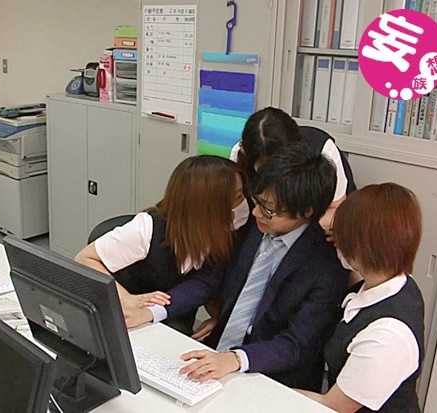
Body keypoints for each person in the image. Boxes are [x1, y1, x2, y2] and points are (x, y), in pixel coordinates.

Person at [125, 142, 348, 391]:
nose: (256, 213)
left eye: (269, 210)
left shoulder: (326, 265)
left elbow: (297, 344)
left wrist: (236, 359)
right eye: (257, 201)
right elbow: (209, 279)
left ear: (306, 211)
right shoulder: (252, 227)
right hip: (217, 353)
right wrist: (154, 311)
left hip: (273, 376)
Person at [75, 155, 249, 333]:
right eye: (237, 197)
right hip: (126, 319)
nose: (244, 202)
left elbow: (207, 283)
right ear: (209, 206)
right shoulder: (148, 228)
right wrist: (126, 299)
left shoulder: (223, 232)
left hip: (170, 321)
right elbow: (84, 259)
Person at [297, 183, 424, 412]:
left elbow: (333, 406)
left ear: (362, 246)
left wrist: (262, 389)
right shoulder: (392, 280)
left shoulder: (387, 335)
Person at [230, 107, 355, 233]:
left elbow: (337, 210)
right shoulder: (241, 155)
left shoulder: (321, 150)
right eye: (264, 166)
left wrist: (293, 230)